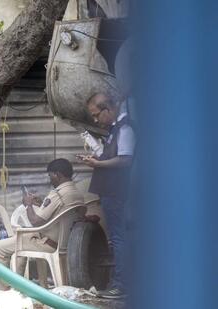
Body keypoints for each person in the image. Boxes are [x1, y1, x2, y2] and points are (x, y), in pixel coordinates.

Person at [0, 159, 85, 290]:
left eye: (50, 175)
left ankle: (3, 291)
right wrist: (41, 203)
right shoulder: (77, 194)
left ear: (57, 174)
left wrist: (29, 204)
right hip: (63, 244)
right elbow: (58, 215)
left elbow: (35, 221)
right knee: (19, 243)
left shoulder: (58, 194)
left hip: (46, 244)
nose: (50, 179)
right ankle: (17, 288)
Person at [78, 92, 136, 299]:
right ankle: (119, 283)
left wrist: (98, 164)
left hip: (117, 192)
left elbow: (125, 160)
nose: (95, 120)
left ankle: (120, 285)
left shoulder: (125, 128)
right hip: (110, 192)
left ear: (108, 110)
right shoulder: (114, 130)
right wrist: (96, 158)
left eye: (96, 115)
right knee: (118, 238)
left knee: (120, 239)